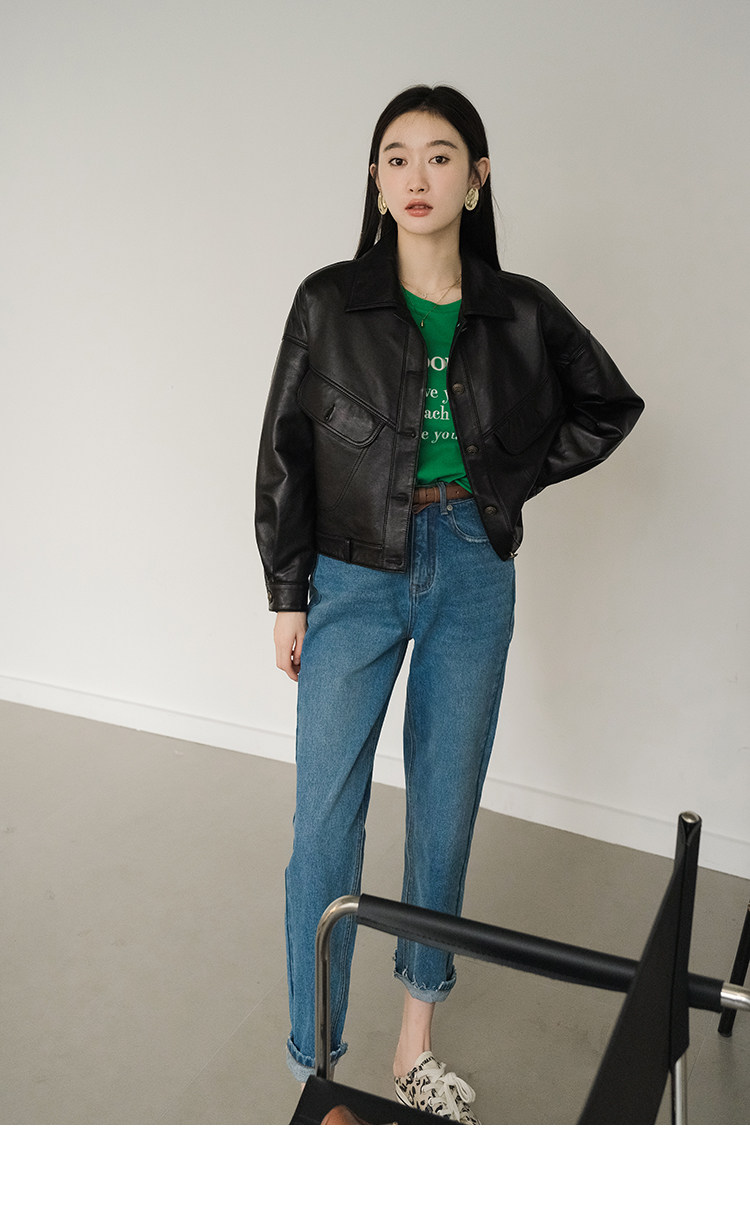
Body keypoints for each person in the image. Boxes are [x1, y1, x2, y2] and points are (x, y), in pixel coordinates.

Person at [255, 84, 643, 1123]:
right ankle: (318, 1069)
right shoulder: (328, 301)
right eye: (396, 157)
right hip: (350, 572)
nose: (416, 176)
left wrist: (503, 477)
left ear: (477, 178)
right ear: (375, 181)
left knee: (444, 807)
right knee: (323, 821)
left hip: (472, 568)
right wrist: (288, 594)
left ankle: (414, 1042)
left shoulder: (520, 308)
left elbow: (608, 404)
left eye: (439, 155)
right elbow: (285, 452)